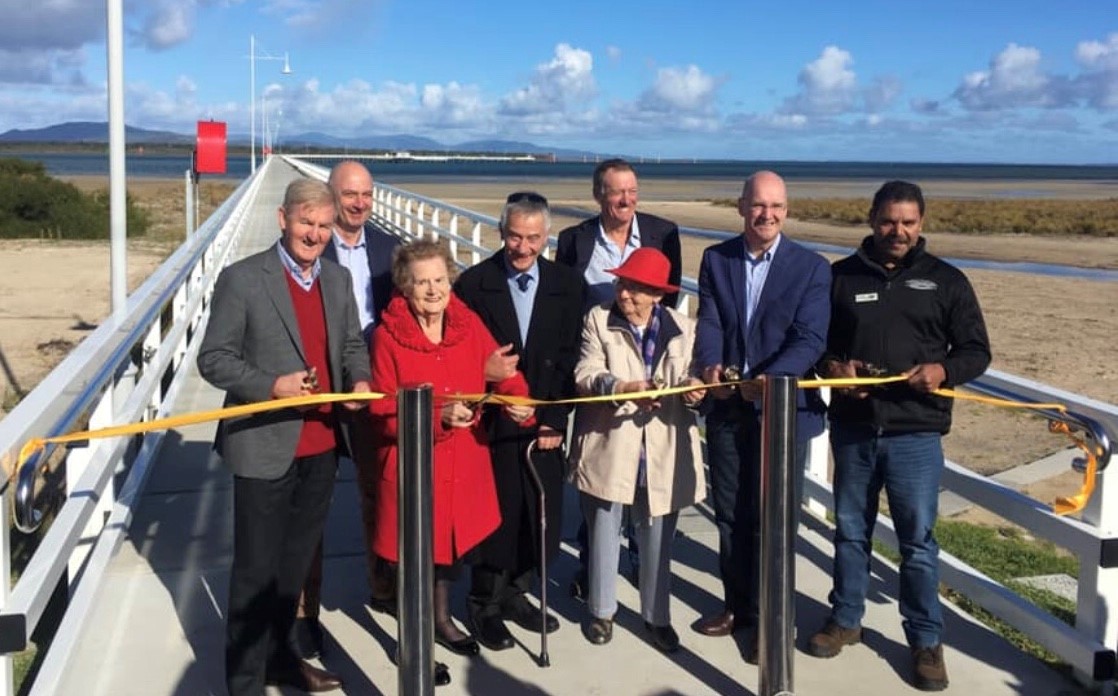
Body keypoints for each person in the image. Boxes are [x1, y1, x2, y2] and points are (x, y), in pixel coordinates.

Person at [807, 180, 991, 692]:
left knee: (918, 544)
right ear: (871, 218)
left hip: (916, 434)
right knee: (849, 531)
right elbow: (817, 346)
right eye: (889, 220)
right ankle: (846, 618)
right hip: (854, 429)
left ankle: (926, 641)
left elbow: (977, 351)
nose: (899, 231)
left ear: (922, 223)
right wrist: (834, 369)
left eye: (909, 222)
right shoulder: (839, 277)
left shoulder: (947, 281)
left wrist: (943, 371)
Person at [198, 178, 371, 695]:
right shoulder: (243, 279)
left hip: (321, 446)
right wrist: (271, 386)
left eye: (323, 226)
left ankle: (281, 659)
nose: (314, 234)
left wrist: (359, 379)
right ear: (283, 219)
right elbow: (214, 359)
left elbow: (351, 345)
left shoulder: (337, 281)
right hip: (263, 447)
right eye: (305, 223)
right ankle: (245, 682)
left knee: (292, 570)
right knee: (255, 572)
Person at [368, 240, 535, 684]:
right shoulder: (388, 336)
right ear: (404, 287)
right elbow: (382, 411)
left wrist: (519, 402)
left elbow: (503, 371)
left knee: (448, 554)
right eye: (421, 282)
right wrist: (437, 414)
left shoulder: (466, 321)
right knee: (416, 558)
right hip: (414, 466)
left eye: (439, 279)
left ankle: (441, 621)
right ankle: (413, 646)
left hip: (464, 461)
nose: (432, 289)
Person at [692, 170, 831, 662]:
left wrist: (768, 382)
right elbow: (709, 320)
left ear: (786, 210)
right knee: (730, 513)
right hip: (728, 408)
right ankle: (738, 608)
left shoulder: (812, 268)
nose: (766, 214)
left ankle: (772, 617)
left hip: (781, 413)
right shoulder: (716, 259)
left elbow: (810, 339)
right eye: (757, 205)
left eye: (775, 206)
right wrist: (710, 364)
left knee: (772, 518)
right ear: (741, 207)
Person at [454, 191, 586, 651]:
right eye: (515, 237)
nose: (523, 248)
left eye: (533, 238)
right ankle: (483, 603)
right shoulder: (473, 284)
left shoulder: (570, 286)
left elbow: (573, 359)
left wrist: (554, 417)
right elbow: (456, 355)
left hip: (544, 424)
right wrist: (483, 378)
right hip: (491, 424)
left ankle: (517, 593)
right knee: (494, 517)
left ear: (546, 236)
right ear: (501, 232)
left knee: (537, 514)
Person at [568, 247, 706, 653]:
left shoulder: (685, 328)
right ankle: (601, 612)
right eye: (622, 284)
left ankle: (656, 616)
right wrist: (621, 388)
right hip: (610, 444)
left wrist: (695, 393)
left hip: (662, 448)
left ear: (658, 296)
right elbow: (585, 373)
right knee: (603, 531)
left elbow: (691, 378)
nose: (625, 294)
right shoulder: (598, 319)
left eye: (636, 288)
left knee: (658, 538)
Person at [556, 157, 683, 598]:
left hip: (646, 365)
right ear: (599, 196)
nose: (626, 199)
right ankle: (593, 572)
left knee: (646, 482)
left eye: (632, 190)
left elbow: (668, 302)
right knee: (601, 478)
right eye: (616, 191)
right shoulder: (574, 239)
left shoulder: (663, 233)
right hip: (598, 361)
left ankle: (636, 565)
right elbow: (565, 302)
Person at [292, 160, 401, 660]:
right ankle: (303, 613)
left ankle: (383, 588)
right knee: (309, 503)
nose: (359, 203)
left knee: (380, 490)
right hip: (320, 389)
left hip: (373, 386)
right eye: (349, 194)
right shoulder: (311, 246)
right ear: (330, 197)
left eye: (366, 194)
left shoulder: (386, 250)